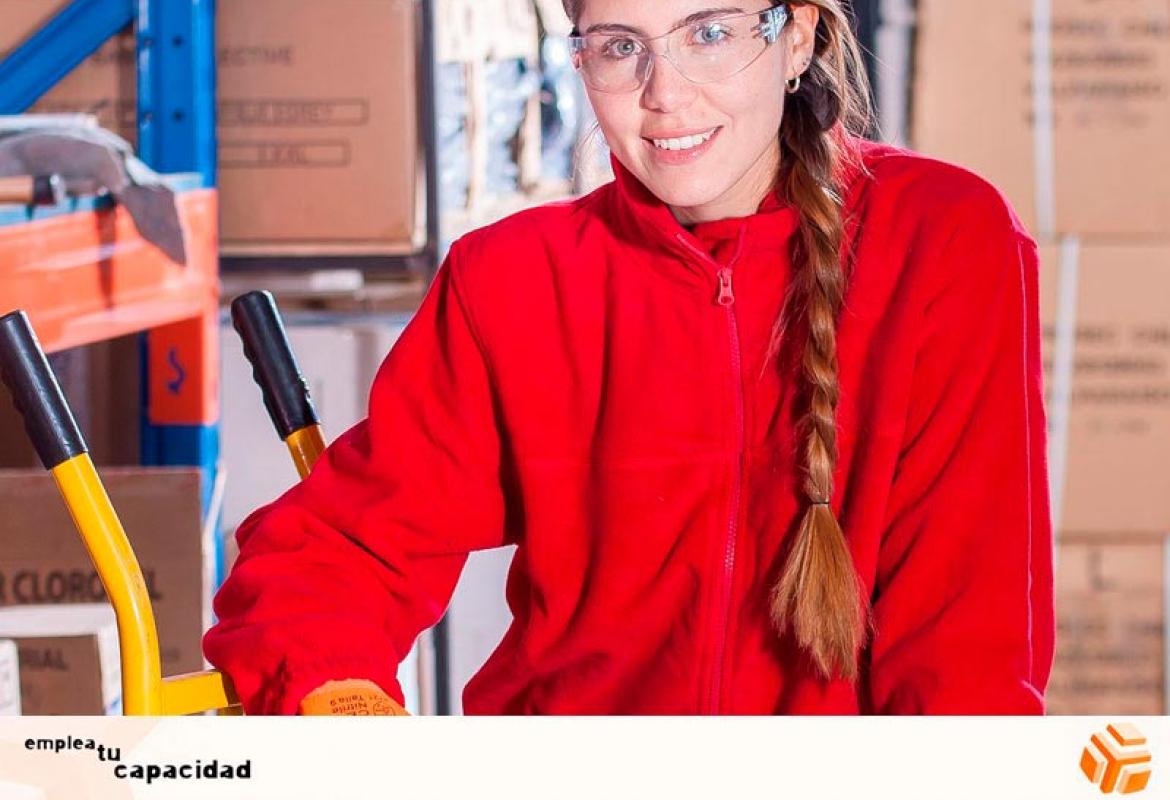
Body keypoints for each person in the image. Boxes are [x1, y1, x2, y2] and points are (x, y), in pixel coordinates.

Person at [204, 0, 1056, 715]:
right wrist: (339, 700)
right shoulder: (512, 277)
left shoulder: (944, 241)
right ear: (579, 62)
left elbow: (965, 650)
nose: (666, 96)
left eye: (709, 33)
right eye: (620, 48)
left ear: (796, 35)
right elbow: (338, 555)